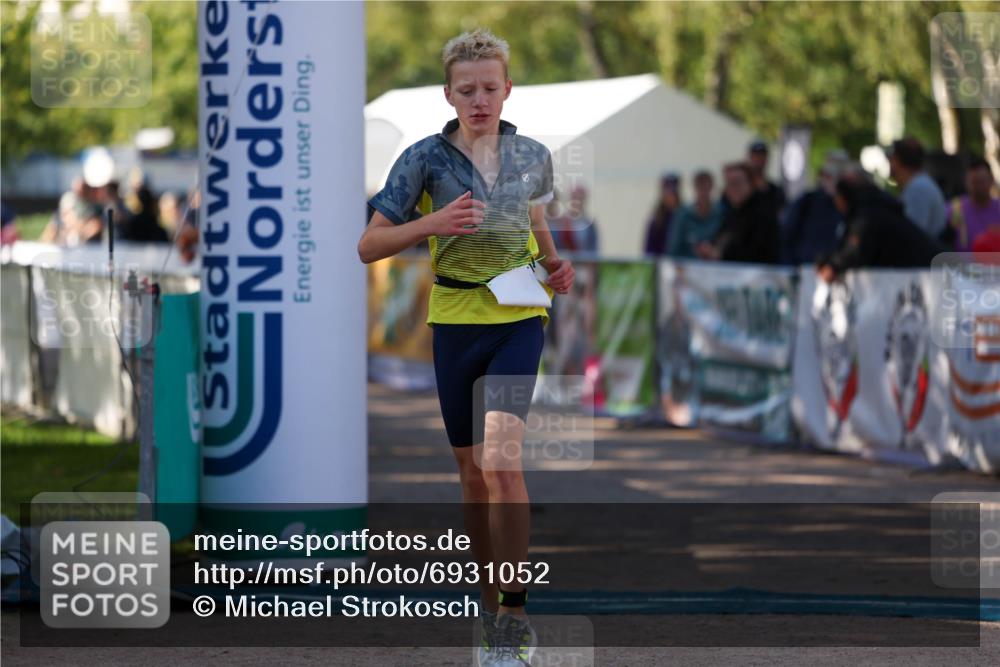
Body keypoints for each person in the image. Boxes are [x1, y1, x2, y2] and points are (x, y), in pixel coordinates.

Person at [358, 28, 574, 666]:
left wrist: (556, 265)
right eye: (466, 89)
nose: (479, 99)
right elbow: (368, 246)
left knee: (503, 460)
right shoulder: (423, 159)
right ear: (448, 93)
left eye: (490, 87)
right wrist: (432, 223)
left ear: (508, 89)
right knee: (473, 474)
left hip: (519, 317)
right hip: (454, 320)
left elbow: (536, 220)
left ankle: (513, 611)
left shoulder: (533, 154)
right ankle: (488, 598)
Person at [817, 166, 943, 282]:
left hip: (932, 276)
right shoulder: (874, 208)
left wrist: (834, 266)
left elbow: (856, 250)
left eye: (837, 195)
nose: (835, 202)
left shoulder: (869, 214)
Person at [697, 161, 779, 264]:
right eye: (728, 183)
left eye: (736, 183)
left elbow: (755, 254)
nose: (732, 188)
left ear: (750, 184)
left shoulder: (763, 215)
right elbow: (720, 239)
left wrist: (721, 255)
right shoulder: (731, 213)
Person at [779, 150, 848, 265]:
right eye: (829, 174)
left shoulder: (853, 206)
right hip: (806, 269)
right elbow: (786, 235)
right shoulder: (807, 201)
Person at [888, 137, 947, 239]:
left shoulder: (918, 189)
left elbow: (910, 238)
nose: (889, 162)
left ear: (897, 161)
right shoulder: (918, 185)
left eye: (891, 158)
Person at [948, 157, 1000, 251]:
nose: (978, 188)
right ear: (966, 182)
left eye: (982, 182)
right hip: (963, 264)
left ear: (991, 180)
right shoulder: (954, 209)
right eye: (974, 182)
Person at [666, 169, 722, 258]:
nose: (703, 192)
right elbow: (673, 249)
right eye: (700, 187)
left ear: (712, 187)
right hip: (688, 267)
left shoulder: (721, 213)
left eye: (706, 187)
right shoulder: (682, 215)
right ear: (695, 187)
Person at [748, 140, 786, 221]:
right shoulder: (740, 190)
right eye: (756, 155)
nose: (759, 159)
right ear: (750, 157)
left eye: (762, 155)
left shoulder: (776, 191)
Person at [643, 173, 681, 255]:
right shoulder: (656, 220)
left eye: (673, 193)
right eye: (667, 193)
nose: (670, 197)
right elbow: (648, 250)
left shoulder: (683, 216)